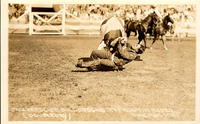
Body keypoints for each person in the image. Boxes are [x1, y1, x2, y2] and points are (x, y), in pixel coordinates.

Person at [76, 37, 145, 71]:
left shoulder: (133, 55)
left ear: (137, 50)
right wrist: (122, 40)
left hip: (114, 62)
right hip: (110, 55)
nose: (135, 45)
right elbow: (124, 43)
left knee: (100, 61)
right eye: (136, 44)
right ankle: (91, 65)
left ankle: (82, 64)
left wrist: (119, 43)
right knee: (94, 52)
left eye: (136, 46)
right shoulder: (130, 46)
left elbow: (122, 53)